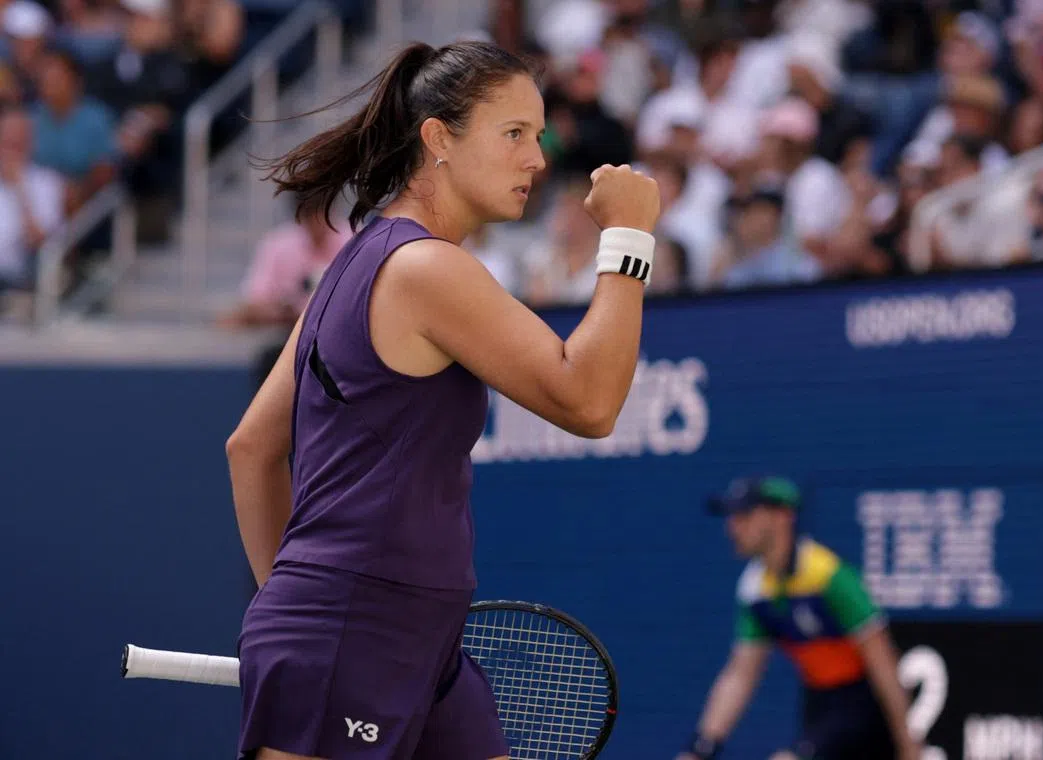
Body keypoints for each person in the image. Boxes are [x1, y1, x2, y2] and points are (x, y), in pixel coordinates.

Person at [224, 40, 660, 760]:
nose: (537, 159)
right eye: (513, 133)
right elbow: (589, 402)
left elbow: (250, 449)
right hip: (358, 626)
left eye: (539, 135)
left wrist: (293, 607)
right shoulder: (426, 269)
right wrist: (629, 238)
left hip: (412, 638)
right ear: (439, 140)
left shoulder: (354, 264)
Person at [676, 477, 920, 760]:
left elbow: (883, 663)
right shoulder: (755, 589)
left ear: (782, 516)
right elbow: (741, 674)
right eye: (732, 517)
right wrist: (701, 747)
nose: (733, 527)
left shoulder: (830, 577)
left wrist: (908, 742)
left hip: (864, 707)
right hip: (818, 707)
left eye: (745, 515)